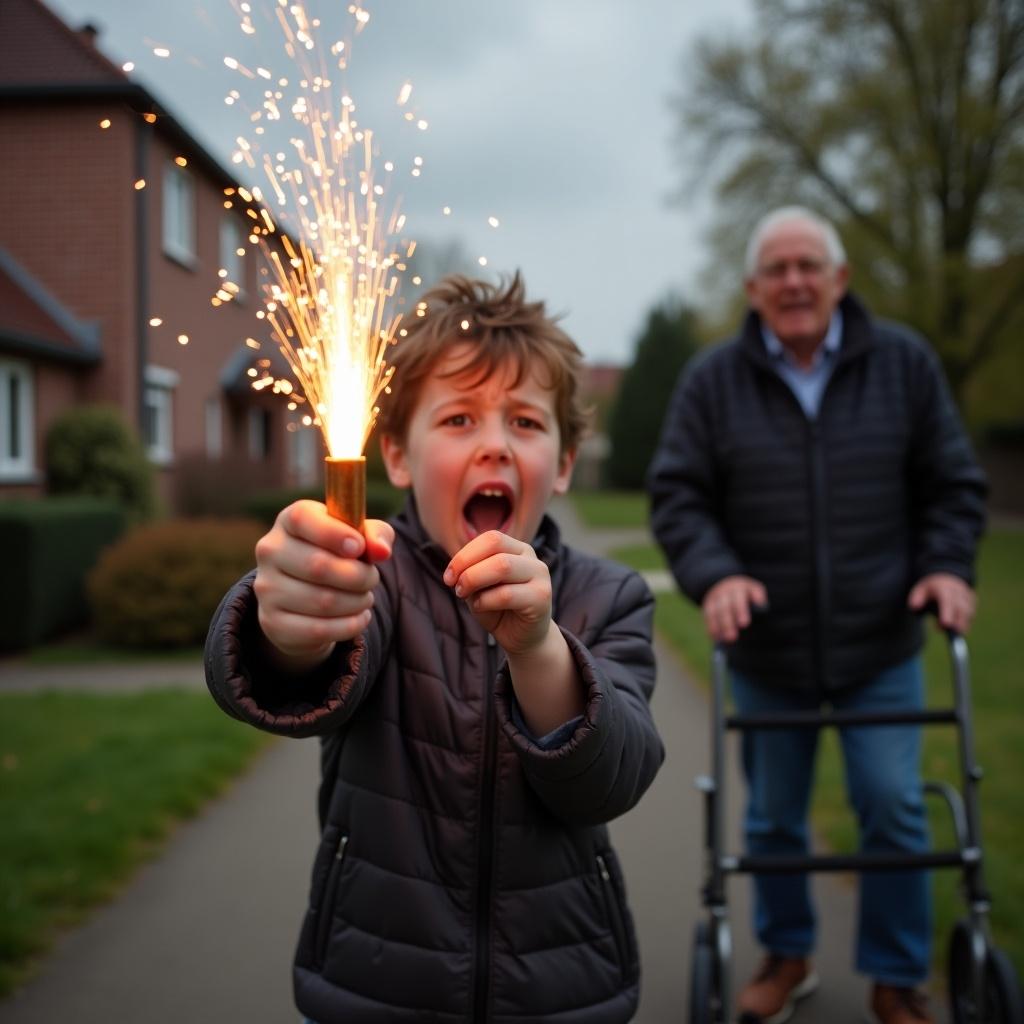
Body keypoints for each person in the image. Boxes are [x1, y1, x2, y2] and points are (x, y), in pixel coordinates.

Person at [205, 272, 665, 1024]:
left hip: (564, 984)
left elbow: (611, 779)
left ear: (567, 460)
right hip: (376, 981)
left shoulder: (609, 597)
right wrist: (283, 627)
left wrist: (539, 646)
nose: (494, 446)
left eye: (525, 422)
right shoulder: (375, 581)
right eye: (458, 420)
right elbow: (307, 677)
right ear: (396, 455)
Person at [647, 207, 987, 1024]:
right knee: (770, 822)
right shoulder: (713, 380)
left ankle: (897, 978)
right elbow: (678, 495)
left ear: (840, 278)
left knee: (893, 805)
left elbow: (953, 484)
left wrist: (944, 565)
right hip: (769, 649)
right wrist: (716, 573)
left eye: (810, 265)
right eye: (777, 268)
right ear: (753, 288)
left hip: (882, 641)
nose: (794, 280)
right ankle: (788, 955)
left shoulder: (903, 364)